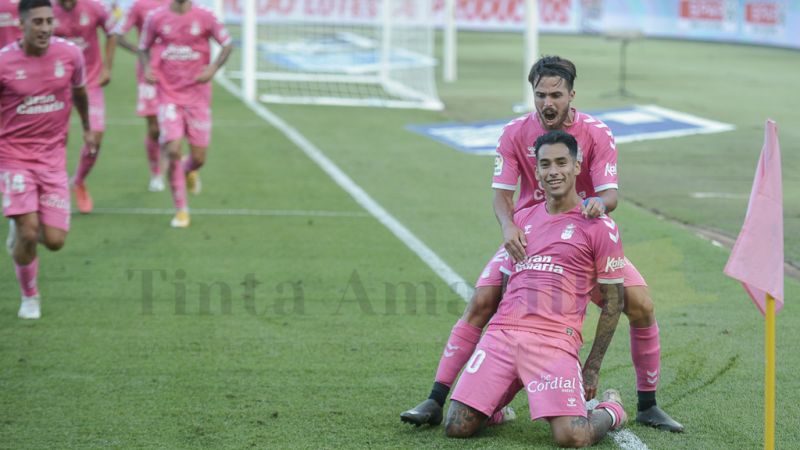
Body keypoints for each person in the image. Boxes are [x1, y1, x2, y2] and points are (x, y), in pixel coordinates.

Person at [401, 56, 683, 432]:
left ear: (571, 95)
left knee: (642, 306)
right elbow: (501, 195)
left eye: (556, 94)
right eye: (540, 95)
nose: (548, 103)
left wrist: (597, 206)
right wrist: (507, 228)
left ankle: (647, 404)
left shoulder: (598, 133)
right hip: (528, 237)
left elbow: (610, 194)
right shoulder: (515, 133)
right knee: (482, 302)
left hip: (582, 238)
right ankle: (436, 399)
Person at [444, 130, 627, 447]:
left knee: (572, 436)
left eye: (561, 162)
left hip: (554, 341)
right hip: (503, 334)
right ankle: (491, 406)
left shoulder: (599, 226)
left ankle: (611, 410)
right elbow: (504, 281)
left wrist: (592, 368)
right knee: (456, 426)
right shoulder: (521, 219)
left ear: (576, 165)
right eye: (545, 164)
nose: (553, 171)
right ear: (537, 171)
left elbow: (614, 303)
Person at [0, 0, 94, 319]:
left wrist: (87, 127)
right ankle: (30, 296)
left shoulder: (70, 55)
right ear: (21, 24)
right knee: (29, 231)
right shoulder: (3, 63)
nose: (44, 28)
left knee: (54, 241)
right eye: (37, 22)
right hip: (13, 156)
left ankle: (20, 229)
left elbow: (80, 91)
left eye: (49, 21)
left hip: (52, 158)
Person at [138, 0, 232, 228]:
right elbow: (143, 48)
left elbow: (227, 44)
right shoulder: (156, 17)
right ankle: (181, 209)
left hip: (198, 97)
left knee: (198, 158)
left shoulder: (206, 16)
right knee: (172, 149)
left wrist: (212, 69)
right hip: (168, 94)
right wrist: (148, 68)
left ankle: (188, 171)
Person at [53, 0, 116, 214]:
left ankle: (78, 181)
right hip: (56, 84)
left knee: (95, 139)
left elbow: (113, 31)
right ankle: (55, 188)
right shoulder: (47, 9)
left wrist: (107, 67)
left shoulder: (95, 7)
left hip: (89, 82)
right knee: (57, 140)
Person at [112, 0, 165, 192]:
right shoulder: (138, 5)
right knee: (155, 126)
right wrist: (140, 51)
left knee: (176, 122)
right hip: (148, 70)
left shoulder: (177, 4)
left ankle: (178, 162)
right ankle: (156, 172)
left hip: (175, 71)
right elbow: (118, 36)